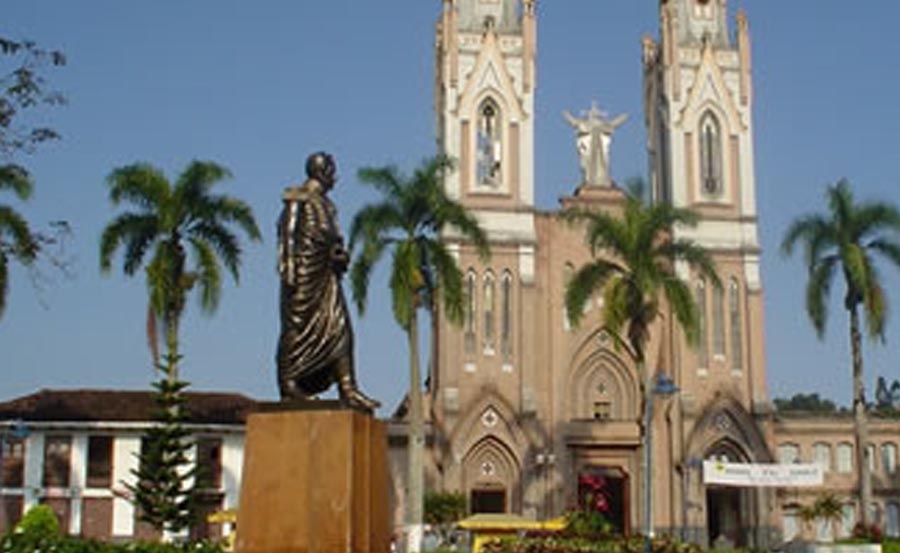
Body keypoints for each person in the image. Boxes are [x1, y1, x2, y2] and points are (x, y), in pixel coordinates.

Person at [276, 152, 379, 411]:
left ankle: (348, 388)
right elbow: (287, 234)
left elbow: (331, 240)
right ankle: (289, 383)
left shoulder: (328, 206)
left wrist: (339, 255)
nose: (335, 177)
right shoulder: (298, 198)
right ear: (322, 172)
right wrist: (289, 267)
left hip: (327, 276)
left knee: (340, 328)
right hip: (303, 276)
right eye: (332, 171)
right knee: (296, 329)